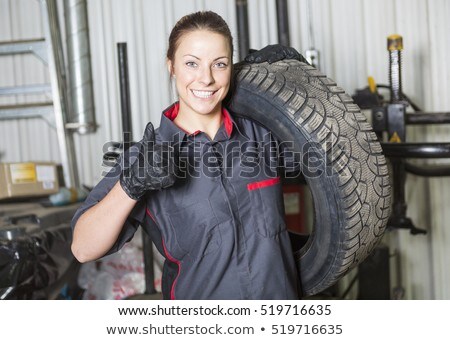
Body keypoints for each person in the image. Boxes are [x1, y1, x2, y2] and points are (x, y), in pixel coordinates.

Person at [71, 10, 306, 299]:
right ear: (171, 66)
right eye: (191, 63)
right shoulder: (147, 158)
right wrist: (131, 185)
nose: (206, 79)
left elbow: (338, 168)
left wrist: (302, 87)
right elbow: (82, 248)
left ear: (231, 68)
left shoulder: (263, 134)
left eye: (219, 64)